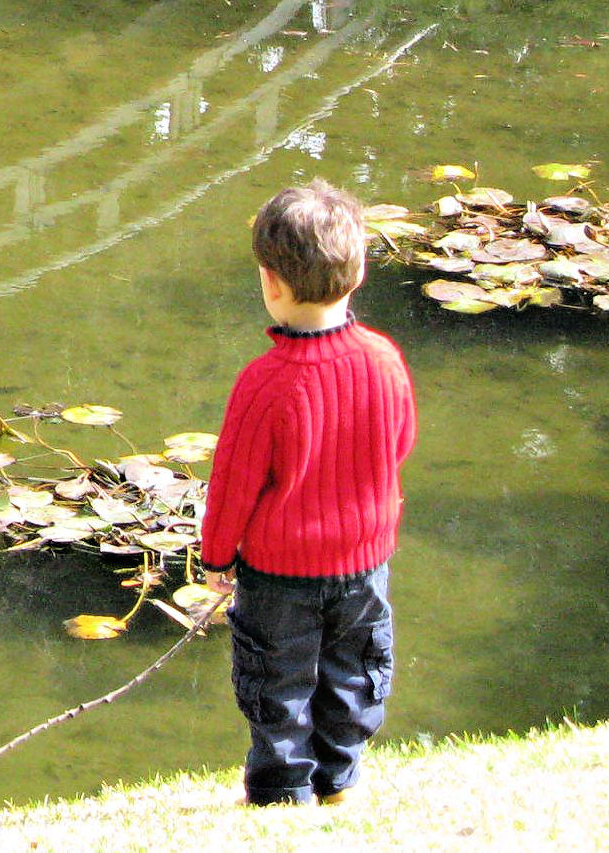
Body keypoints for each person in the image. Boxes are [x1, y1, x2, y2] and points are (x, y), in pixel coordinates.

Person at [195, 180, 419, 807]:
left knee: (277, 680)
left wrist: (216, 558)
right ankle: (339, 780)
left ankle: (281, 791)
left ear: (271, 281)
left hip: (278, 572)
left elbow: (234, 484)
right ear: (360, 271)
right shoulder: (385, 359)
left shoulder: (266, 382)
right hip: (366, 561)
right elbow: (399, 445)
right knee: (355, 673)